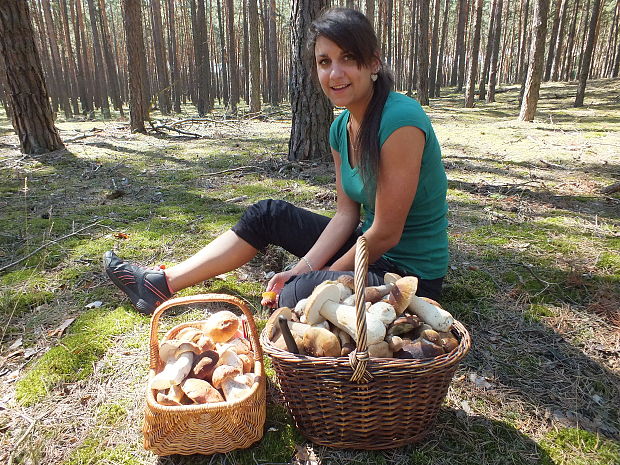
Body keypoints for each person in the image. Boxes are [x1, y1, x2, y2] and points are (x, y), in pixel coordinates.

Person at [104, 7, 448, 315]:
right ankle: (160, 284)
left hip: (406, 274)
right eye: (324, 62)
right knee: (267, 215)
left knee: (294, 297)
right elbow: (346, 215)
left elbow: (386, 233)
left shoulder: (400, 119)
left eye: (348, 58)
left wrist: (317, 279)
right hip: (366, 246)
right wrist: (305, 269)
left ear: (373, 62)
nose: (335, 73)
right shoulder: (341, 127)